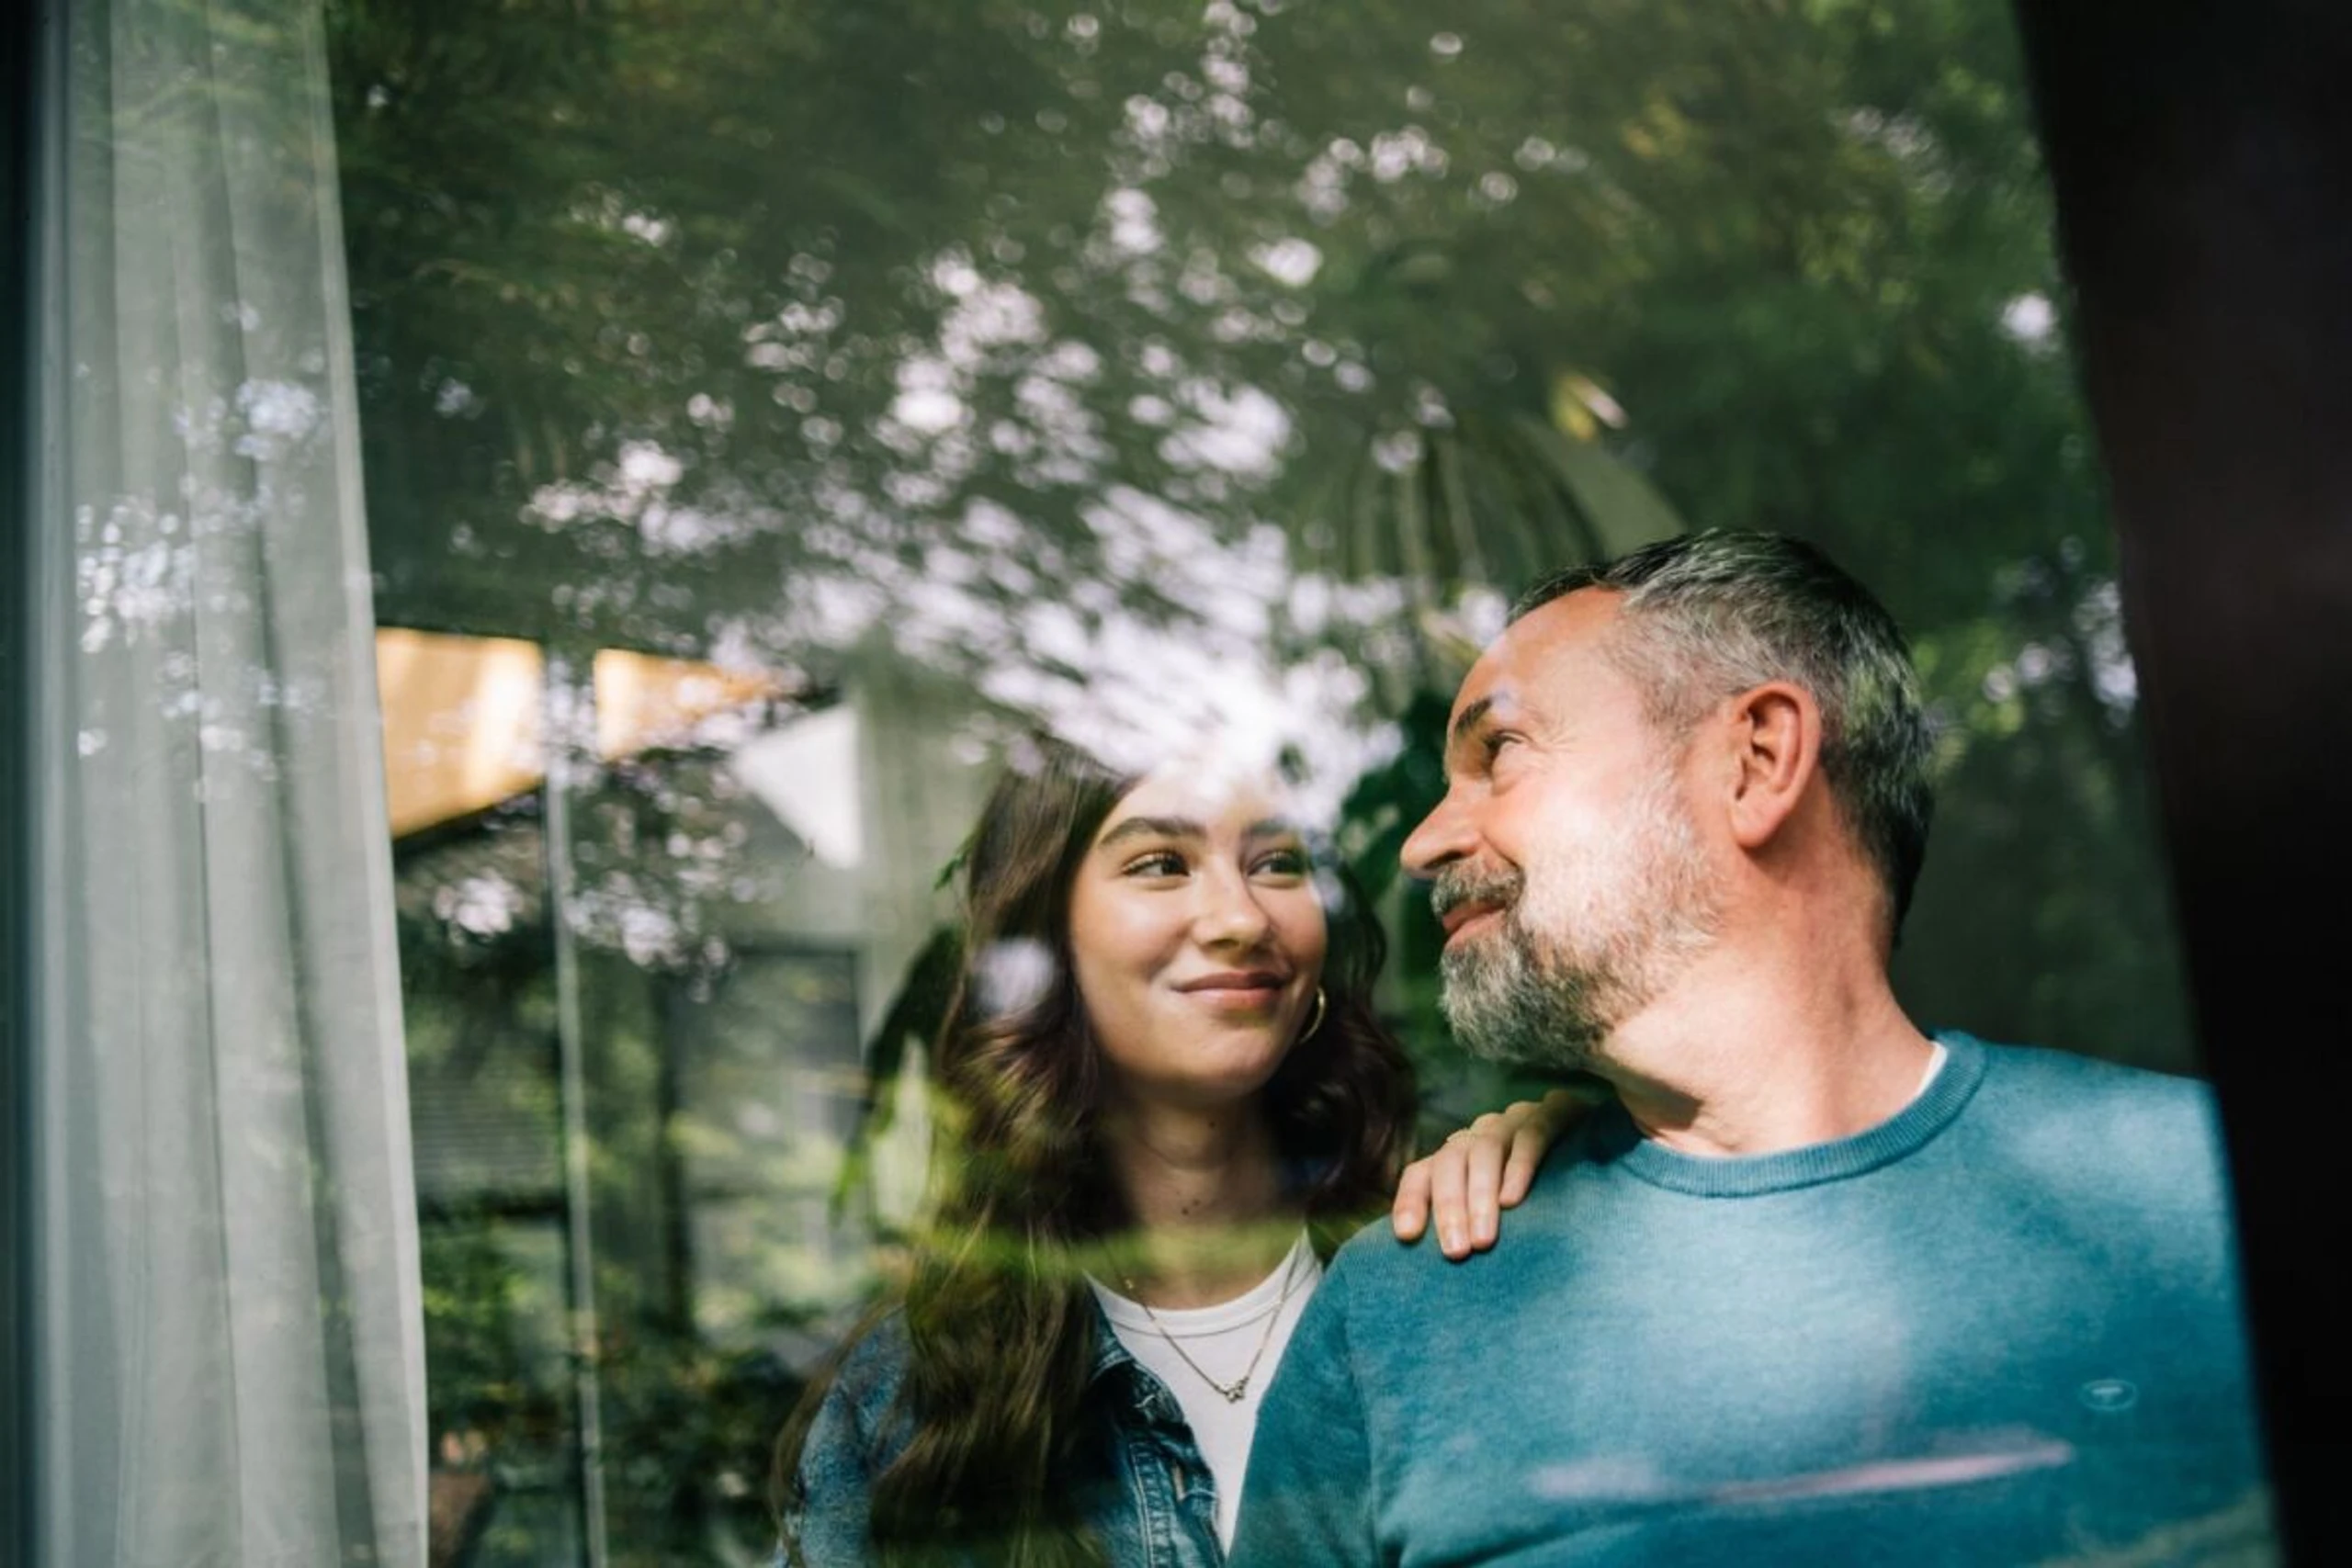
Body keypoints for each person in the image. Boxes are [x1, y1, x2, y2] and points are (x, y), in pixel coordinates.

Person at [1231, 531, 2275, 1565]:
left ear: (1755, 758)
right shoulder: (1398, 1319)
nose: (1422, 844)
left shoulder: (2209, 1199)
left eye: (1498, 751)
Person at [772, 734, 1573, 1567]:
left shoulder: (1460, 1259)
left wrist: (1591, 1169)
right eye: (1160, 863)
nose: (1241, 918)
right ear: (1047, 947)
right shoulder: (903, 1408)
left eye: (1277, 862)